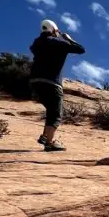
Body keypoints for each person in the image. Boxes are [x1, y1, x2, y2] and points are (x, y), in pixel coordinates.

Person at [29, 19, 85, 152]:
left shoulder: (37, 43)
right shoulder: (58, 43)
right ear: (54, 30)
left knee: (50, 109)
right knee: (56, 114)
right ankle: (49, 143)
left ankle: (44, 136)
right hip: (52, 82)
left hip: (35, 82)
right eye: (57, 31)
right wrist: (69, 39)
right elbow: (81, 49)